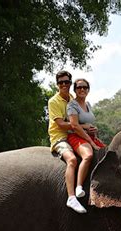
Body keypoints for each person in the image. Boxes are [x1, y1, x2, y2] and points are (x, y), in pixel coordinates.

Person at [48, 70, 87, 213]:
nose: (64, 84)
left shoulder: (72, 99)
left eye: (66, 82)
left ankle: (81, 187)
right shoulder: (54, 101)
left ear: (70, 83)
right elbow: (60, 124)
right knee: (72, 160)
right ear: (57, 84)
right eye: (61, 82)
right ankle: (71, 197)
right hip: (60, 138)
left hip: (73, 135)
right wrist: (81, 126)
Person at [66, 78, 105, 198]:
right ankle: (79, 187)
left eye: (85, 87)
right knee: (88, 155)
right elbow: (74, 126)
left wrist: (93, 130)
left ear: (88, 90)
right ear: (75, 90)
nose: (82, 89)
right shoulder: (72, 105)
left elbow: (87, 123)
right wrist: (90, 141)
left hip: (90, 136)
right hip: (76, 136)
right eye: (79, 87)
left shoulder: (88, 104)